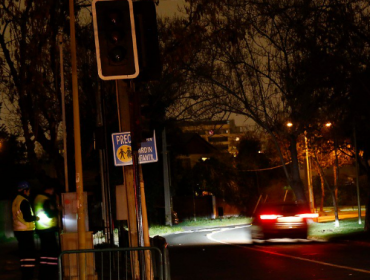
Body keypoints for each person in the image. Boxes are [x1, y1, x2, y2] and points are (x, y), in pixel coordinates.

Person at [12, 181, 39, 280]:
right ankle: (29, 275)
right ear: (25, 190)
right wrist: (35, 218)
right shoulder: (24, 201)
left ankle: (25, 274)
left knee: (23, 255)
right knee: (29, 255)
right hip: (26, 232)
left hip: (18, 231)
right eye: (28, 190)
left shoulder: (16, 200)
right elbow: (27, 217)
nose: (29, 192)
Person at [34, 183, 60, 280]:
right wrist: (57, 210)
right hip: (48, 230)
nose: (53, 192)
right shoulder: (45, 199)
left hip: (41, 230)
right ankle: (51, 274)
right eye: (52, 190)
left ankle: (43, 274)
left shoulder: (37, 198)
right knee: (52, 253)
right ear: (48, 189)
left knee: (44, 254)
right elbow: (50, 214)